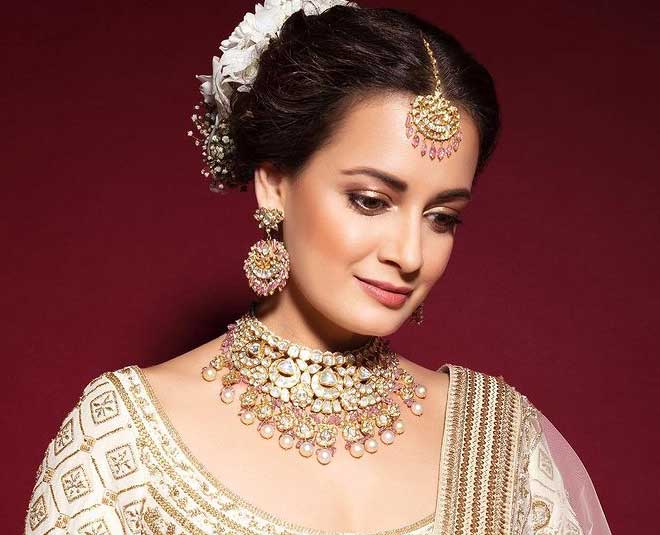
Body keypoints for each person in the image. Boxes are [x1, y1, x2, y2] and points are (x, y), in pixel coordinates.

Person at [23, 2, 611, 534]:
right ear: (275, 184)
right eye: (370, 201)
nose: (410, 255)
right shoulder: (125, 437)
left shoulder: (497, 442)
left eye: (441, 217)